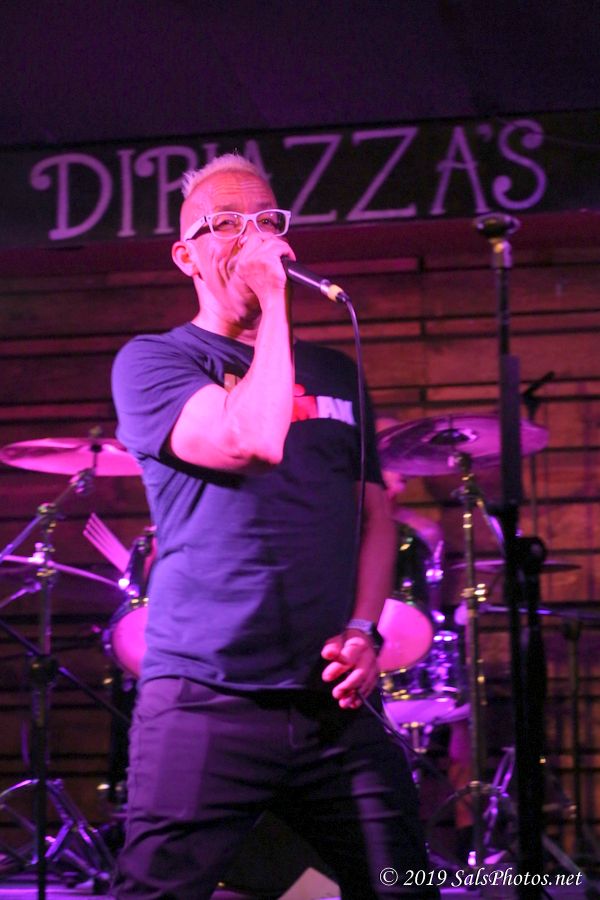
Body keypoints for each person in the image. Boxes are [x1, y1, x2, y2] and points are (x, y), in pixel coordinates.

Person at [111, 154, 438, 899]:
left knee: (405, 884)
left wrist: (364, 628)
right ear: (185, 255)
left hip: (330, 703)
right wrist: (274, 300)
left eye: (266, 220)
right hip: (205, 697)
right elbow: (252, 439)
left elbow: (374, 515)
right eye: (226, 223)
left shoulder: (336, 372)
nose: (253, 236)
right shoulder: (156, 362)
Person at [375, 417, 473, 863]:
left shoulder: (422, 530)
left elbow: (428, 609)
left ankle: (471, 843)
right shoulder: (336, 524)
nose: (401, 479)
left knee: (465, 713)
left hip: (410, 651)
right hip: (352, 651)